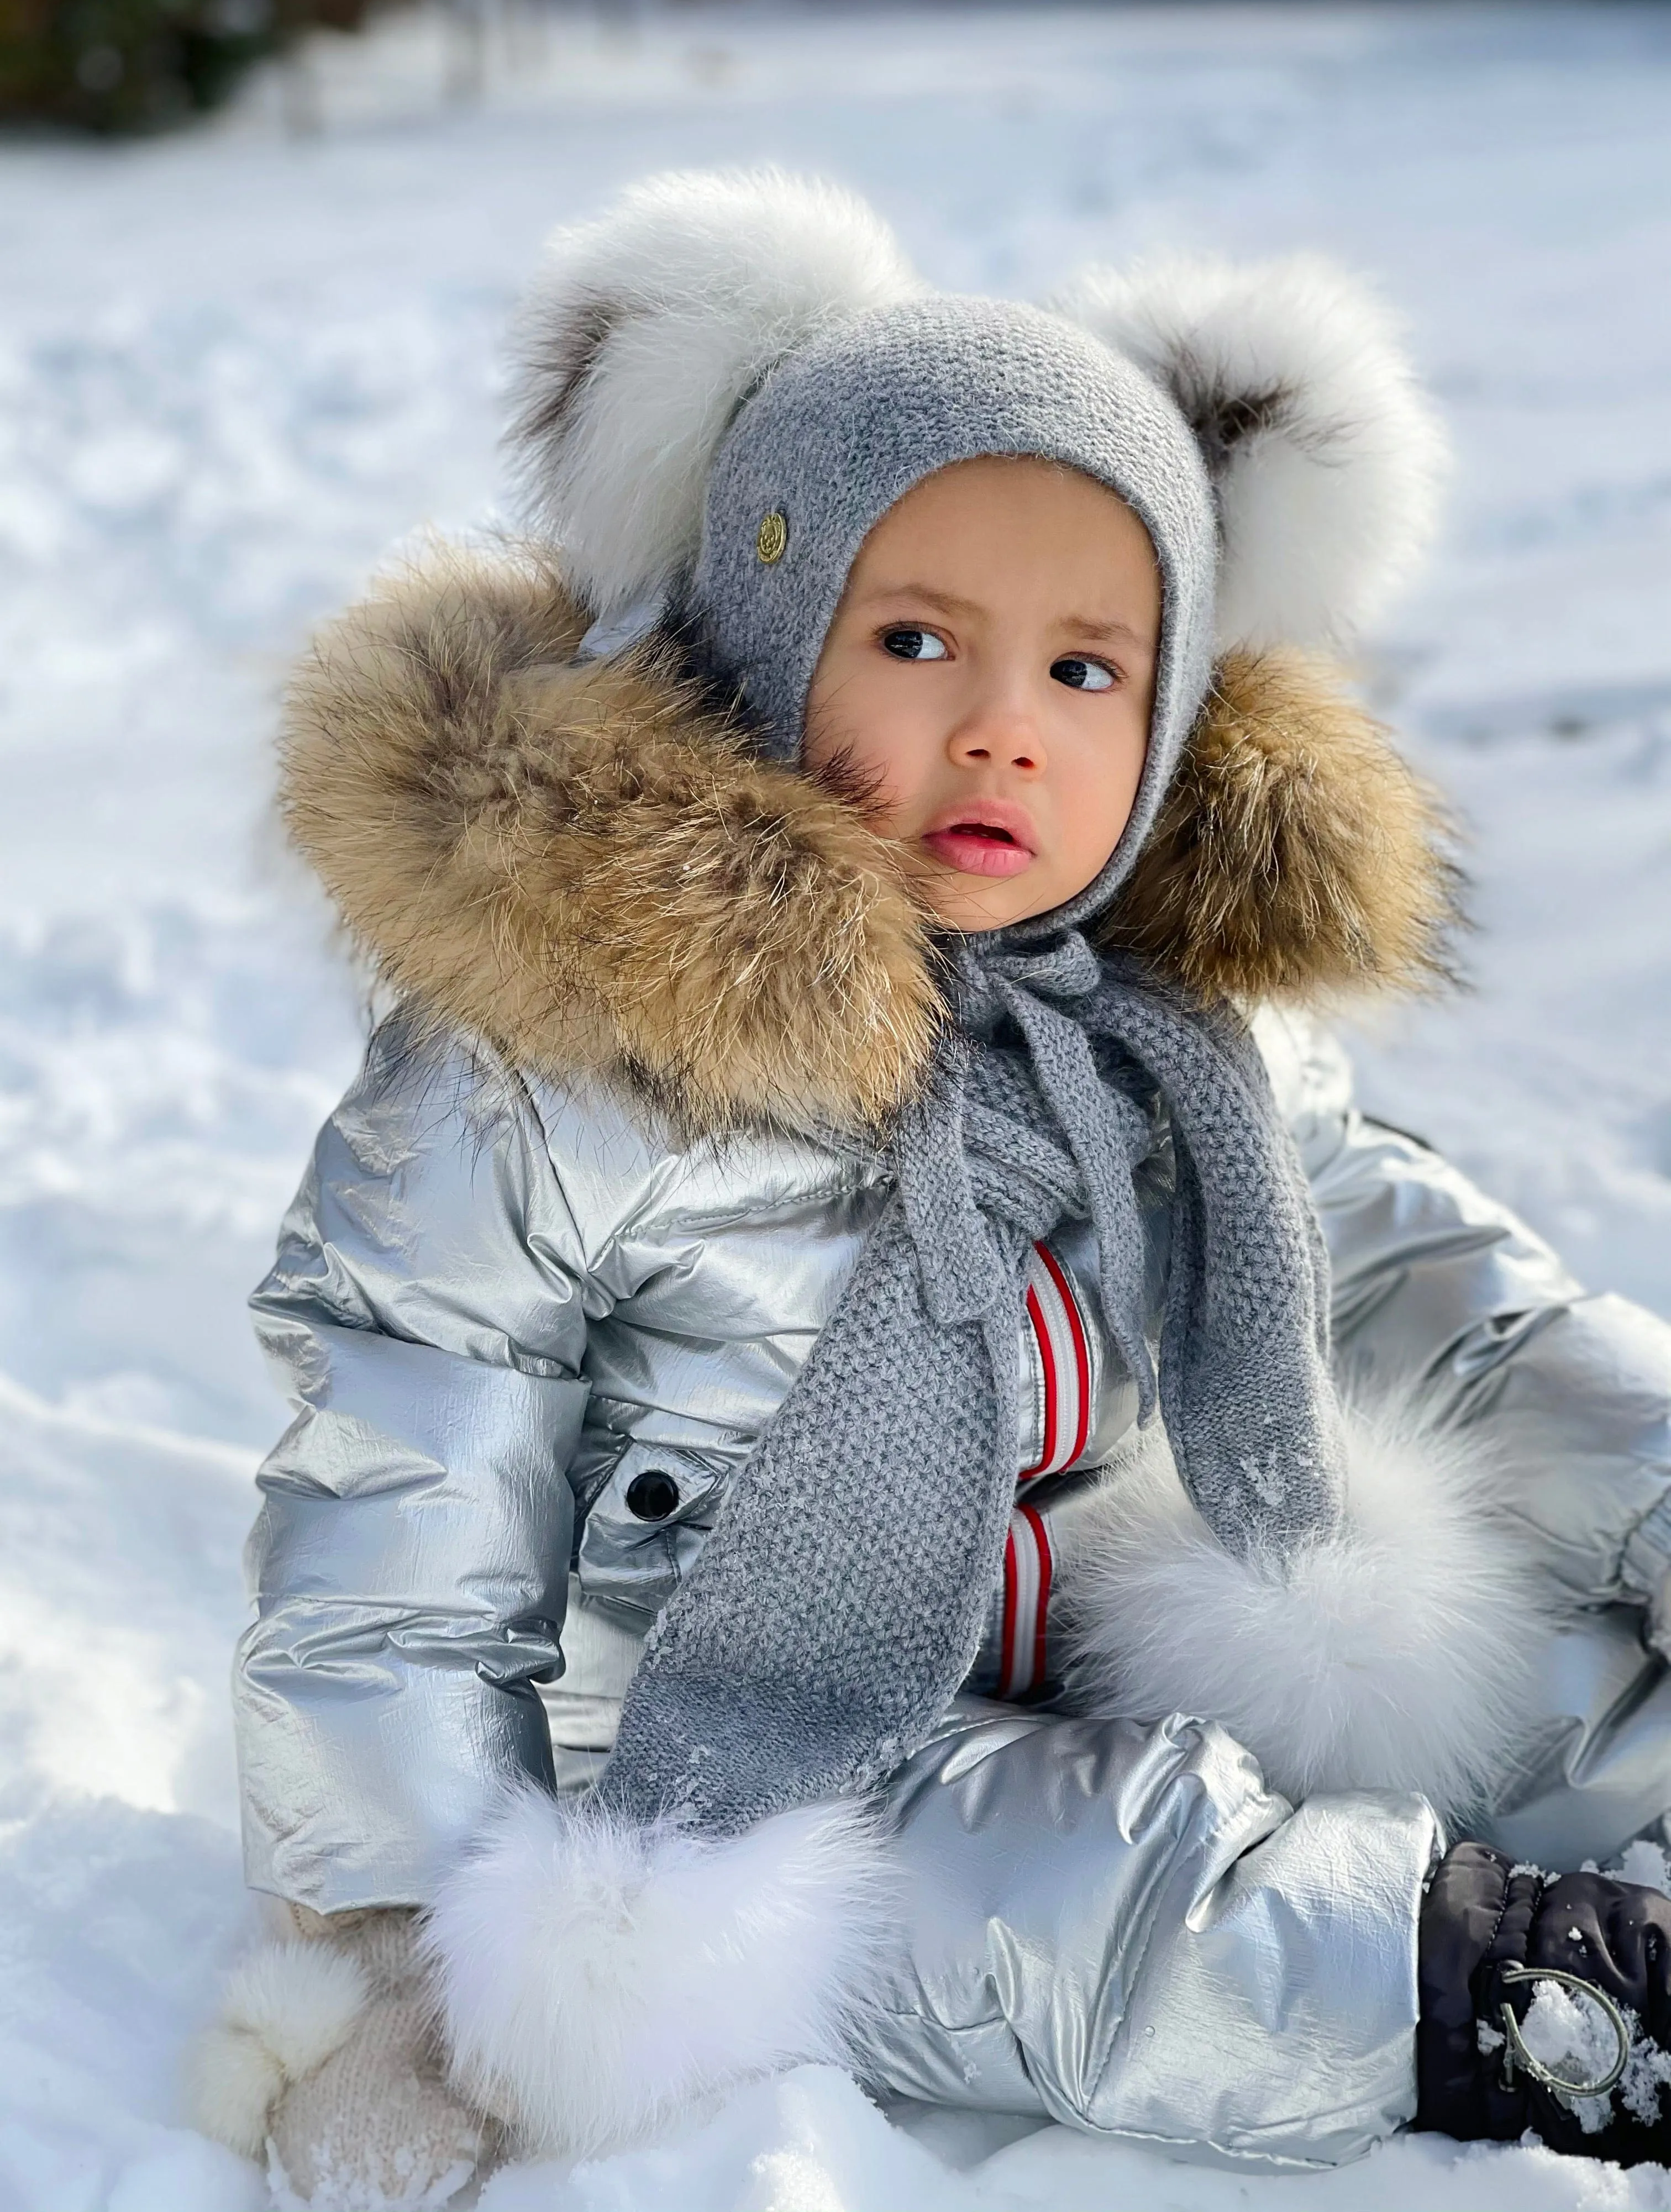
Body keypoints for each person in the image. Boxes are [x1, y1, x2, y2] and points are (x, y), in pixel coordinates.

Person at [188, 172, 1671, 2205]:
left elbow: (1441, 1294)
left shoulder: (1170, 1029)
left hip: (1104, 1613)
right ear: (760, 638)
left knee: (1568, 1675)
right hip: (739, 1731)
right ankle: (1529, 2001)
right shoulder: (562, 1066)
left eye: (1087, 671)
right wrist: (386, 1939)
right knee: (1056, 1906)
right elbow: (398, 1496)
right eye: (916, 640)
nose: (1005, 729)